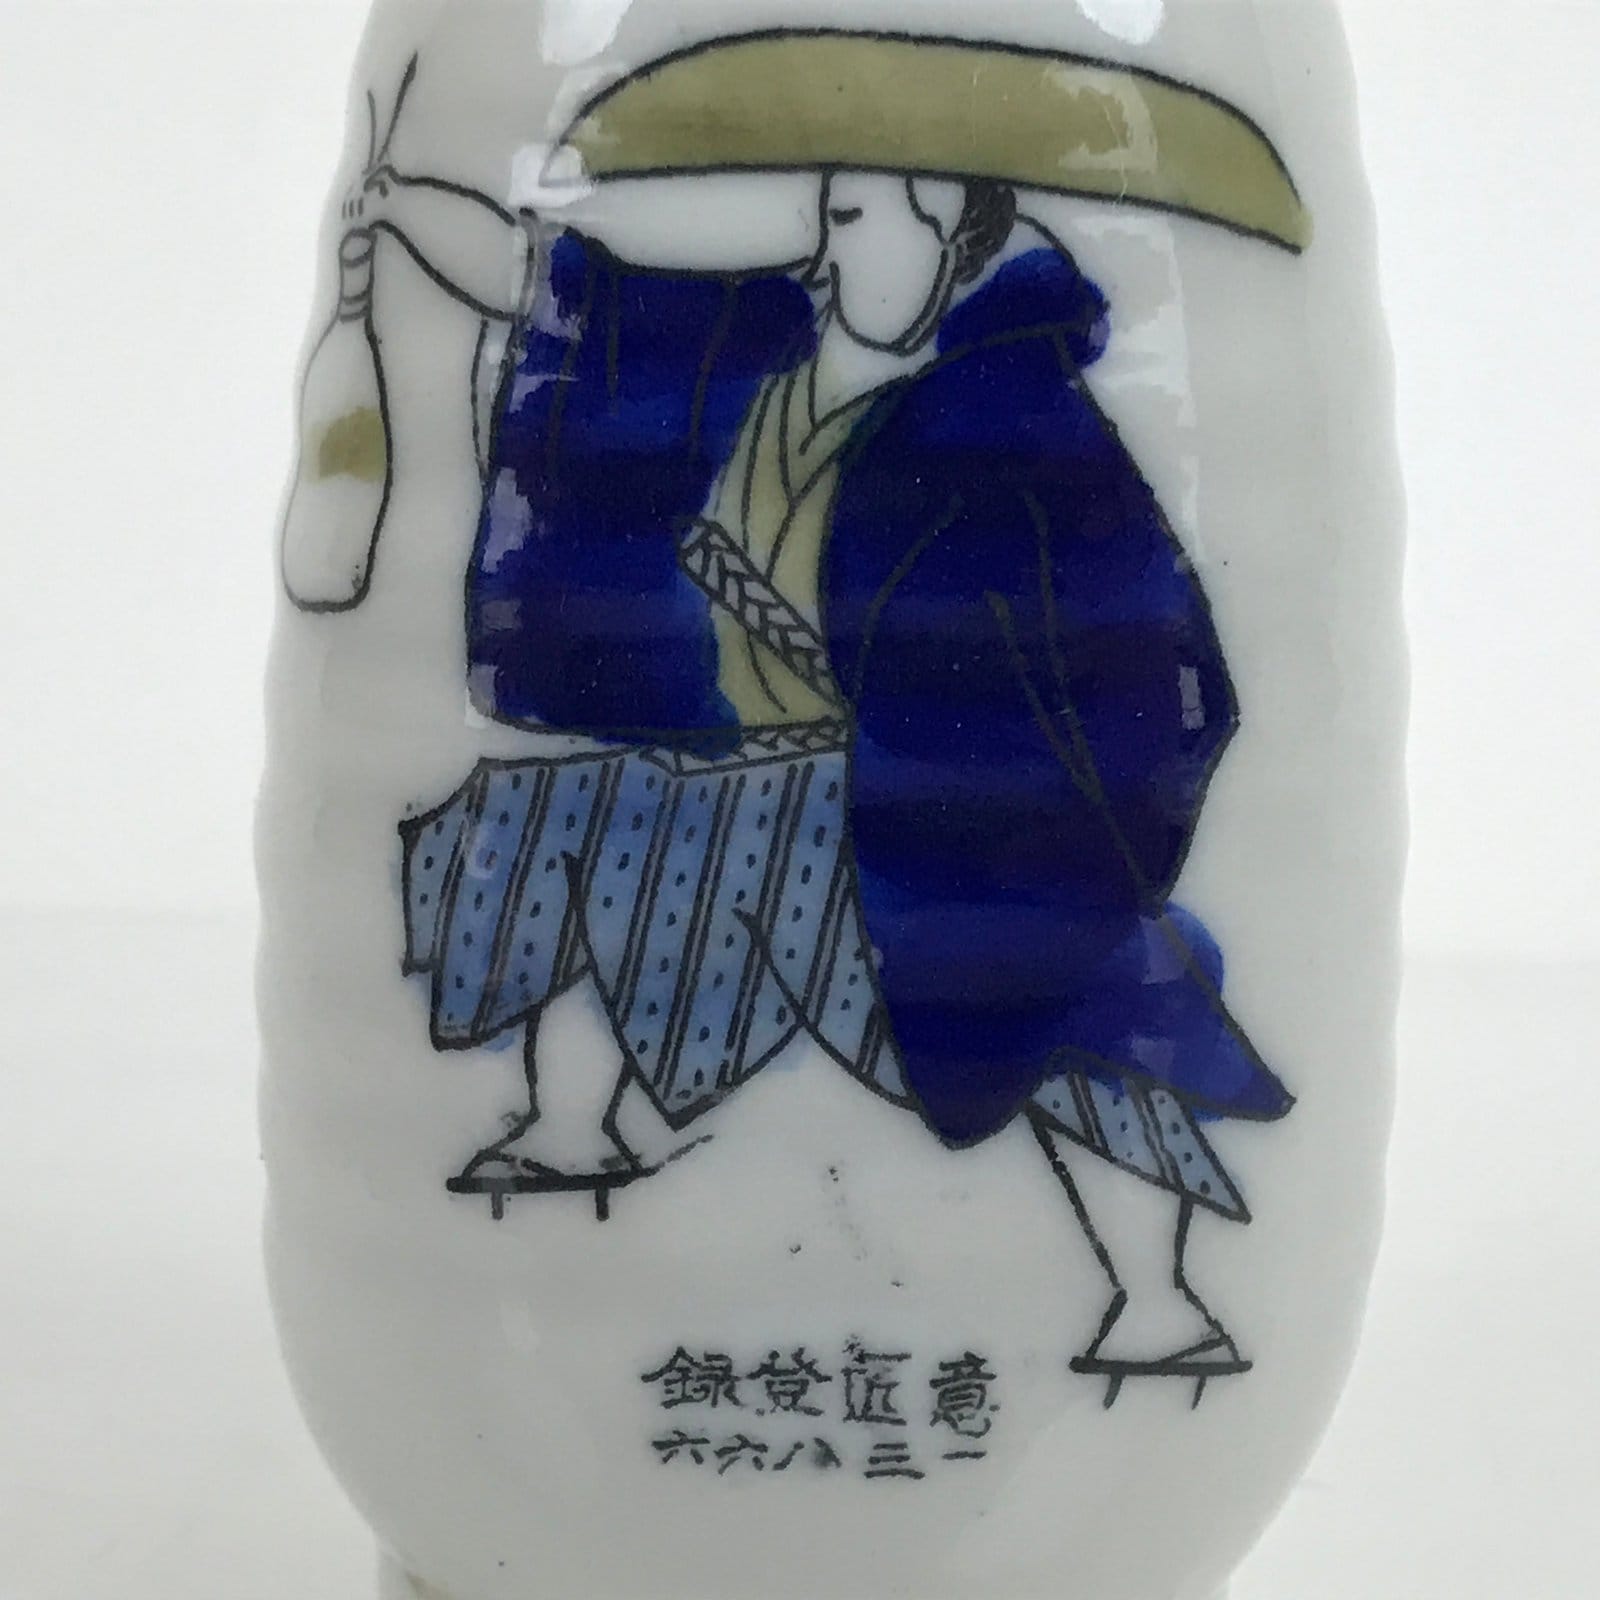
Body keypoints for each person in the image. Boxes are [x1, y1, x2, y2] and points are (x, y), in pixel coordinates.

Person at [339, 151, 1293, 1398]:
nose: (830, 247)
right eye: (832, 215)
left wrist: (1060, 811)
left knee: (1064, 979)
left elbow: (1165, 671)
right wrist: (402, 206)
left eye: (857, 216)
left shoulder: (1024, 417)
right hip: (759, 775)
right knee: (557, 822)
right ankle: (575, 1123)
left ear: (953, 230)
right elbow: (563, 291)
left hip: (944, 806)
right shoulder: (764, 337)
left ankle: (1157, 1303)